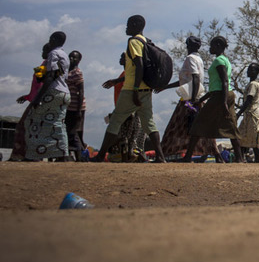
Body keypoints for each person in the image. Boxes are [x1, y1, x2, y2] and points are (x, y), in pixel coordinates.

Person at [92, 15, 166, 163]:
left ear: (135, 24)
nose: (126, 28)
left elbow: (139, 65)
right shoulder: (146, 41)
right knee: (149, 123)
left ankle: (100, 156)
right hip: (147, 90)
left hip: (132, 89)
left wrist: (135, 89)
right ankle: (160, 157)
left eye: (128, 25)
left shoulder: (133, 41)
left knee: (116, 121)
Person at [182, 36, 245, 163]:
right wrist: (201, 100)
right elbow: (215, 87)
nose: (210, 48)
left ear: (218, 45)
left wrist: (223, 102)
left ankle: (188, 157)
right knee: (231, 125)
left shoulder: (219, 61)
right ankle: (239, 158)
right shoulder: (225, 60)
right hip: (225, 94)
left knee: (199, 123)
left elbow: (224, 82)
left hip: (220, 96)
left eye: (212, 46)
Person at [159, 36, 219, 163]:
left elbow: (195, 78)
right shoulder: (198, 59)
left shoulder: (190, 58)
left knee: (175, 128)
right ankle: (213, 154)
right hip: (195, 98)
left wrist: (191, 101)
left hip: (189, 99)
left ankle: (161, 155)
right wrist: (166, 87)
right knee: (198, 128)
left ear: (188, 46)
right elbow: (187, 80)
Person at [25, 32, 70, 161]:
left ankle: (34, 154)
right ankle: (62, 153)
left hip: (54, 92)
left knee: (33, 120)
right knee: (58, 123)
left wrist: (38, 98)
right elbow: (58, 74)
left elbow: (51, 77)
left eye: (50, 39)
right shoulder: (64, 55)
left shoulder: (53, 54)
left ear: (54, 39)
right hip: (64, 93)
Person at [12, 44, 52, 161]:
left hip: (39, 101)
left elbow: (44, 84)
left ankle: (22, 155)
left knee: (24, 126)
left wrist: (36, 99)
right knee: (32, 128)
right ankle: (30, 155)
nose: (42, 52)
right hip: (36, 99)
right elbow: (36, 85)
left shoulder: (47, 64)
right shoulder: (43, 64)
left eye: (44, 50)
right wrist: (27, 96)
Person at [236, 63, 259, 163]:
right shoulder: (251, 84)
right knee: (240, 135)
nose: (249, 72)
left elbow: (249, 100)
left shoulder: (253, 85)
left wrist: (238, 113)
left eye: (252, 70)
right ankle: (240, 158)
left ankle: (258, 160)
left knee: (253, 137)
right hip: (248, 113)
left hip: (252, 113)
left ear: (257, 72)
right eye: (248, 69)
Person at [64, 50, 86, 161]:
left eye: (74, 57)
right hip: (67, 107)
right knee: (67, 132)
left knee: (73, 132)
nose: (72, 59)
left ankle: (80, 157)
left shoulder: (77, 72)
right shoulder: (66, 71)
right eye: (70, 56)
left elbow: (81, 91)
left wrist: (78, 111)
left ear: (79, 60)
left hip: (76, 107)